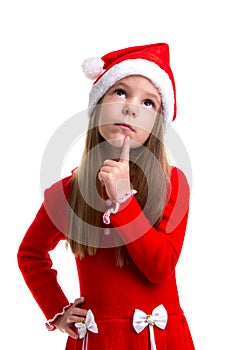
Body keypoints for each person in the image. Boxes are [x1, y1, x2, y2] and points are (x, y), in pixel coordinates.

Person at [18, 43, 195, 349]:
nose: (132, 108)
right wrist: (58, 310)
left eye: (149, 103)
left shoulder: (171, 183)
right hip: (99, 339)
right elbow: (30, 254)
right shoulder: (67, 192)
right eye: (121, 92)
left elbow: (160, 267)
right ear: (99, 104)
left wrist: (124, 201)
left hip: (159, 338)